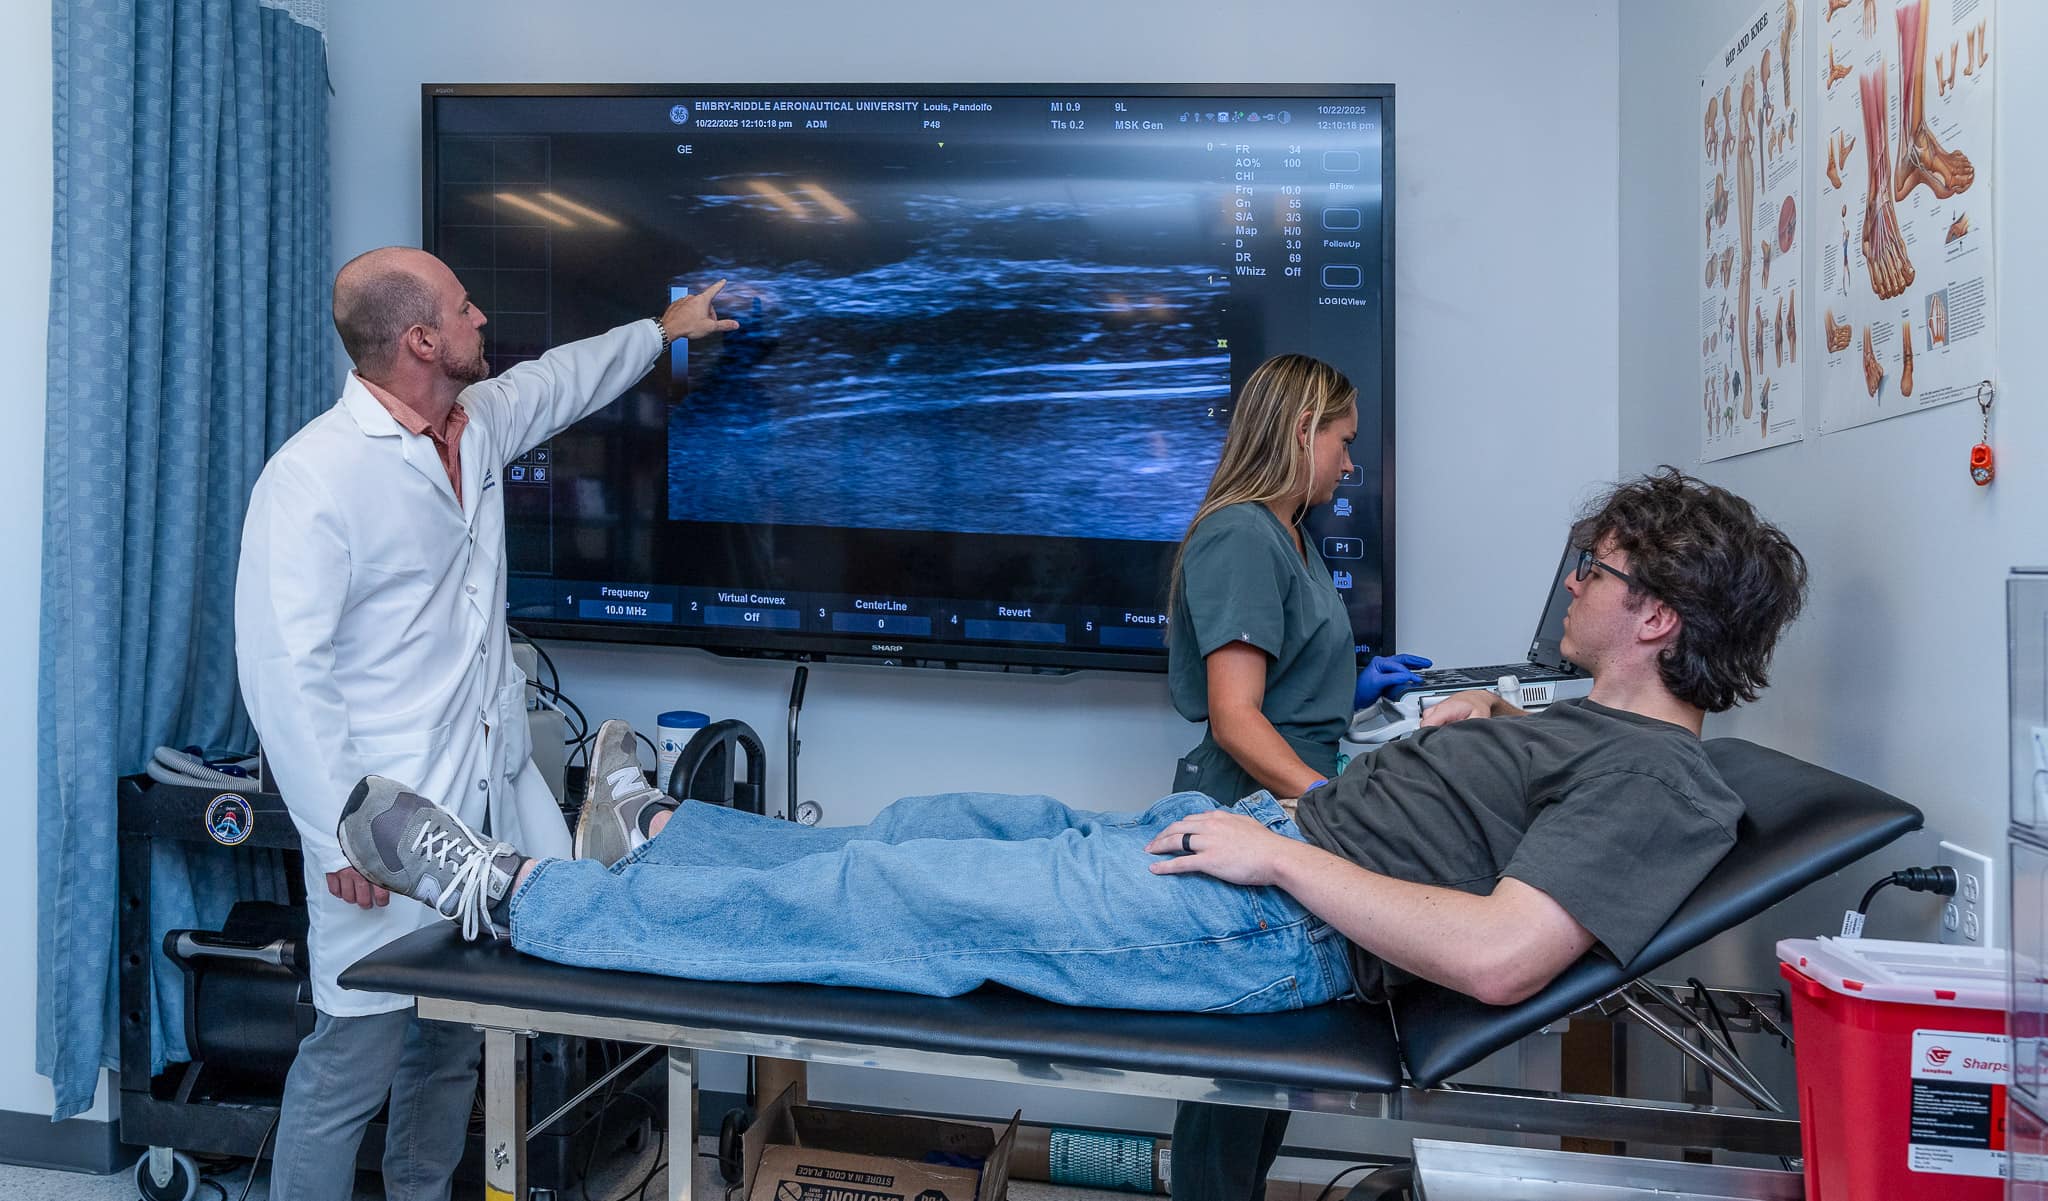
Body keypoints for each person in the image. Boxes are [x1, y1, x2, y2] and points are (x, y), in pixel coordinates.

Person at [336, 467, 1807, 1071]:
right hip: (1227, 846)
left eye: (1600, 571)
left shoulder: (1670, 782)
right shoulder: (1591, 722)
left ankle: (520, 896)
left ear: (1659, 617)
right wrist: (1458, 742)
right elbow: (1478, 836)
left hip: (1267, 925)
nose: (1577, 583)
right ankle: (664, 844)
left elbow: (1496, 959)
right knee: (931, 823)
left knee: (904, 896)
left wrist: (1286, 852)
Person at [234, 245, 738, 1201]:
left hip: (484, 800)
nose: (482, 324)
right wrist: (341, 828)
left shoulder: (476, 422)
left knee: (456, 1046)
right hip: (380, 821)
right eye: (465, 311)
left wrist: (660, 332)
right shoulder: (313, 479)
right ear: (422, 339)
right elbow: (283, 676)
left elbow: (561, 382)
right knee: (353, 1064)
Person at [1163, 353, 1428, 1201]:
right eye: (1344, 442)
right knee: (1238, 1072)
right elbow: (1236, 717)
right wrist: (1321, 800)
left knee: (1272, 1063)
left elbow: (1279, 687)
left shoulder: (1291, 534)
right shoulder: (1242, 533)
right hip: (1252, 808)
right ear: (1302, 432)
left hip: (1286, 803)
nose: (1351, 463)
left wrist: (1354, 692)